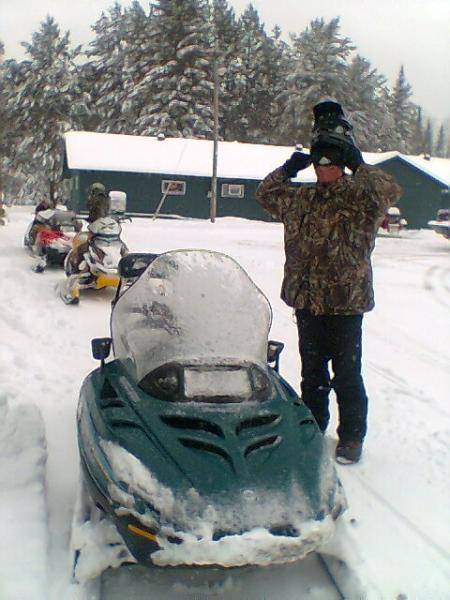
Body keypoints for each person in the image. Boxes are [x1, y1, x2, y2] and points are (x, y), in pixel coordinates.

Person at [256, 102, 402, 464]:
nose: (324, 169)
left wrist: (358, 161)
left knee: (348, 374)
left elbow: (390, 191)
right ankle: (312, 425)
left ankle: (351, 436)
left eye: (332, 162)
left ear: (342, 165)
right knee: (312, 373)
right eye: (319, 163)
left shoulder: (361, 198)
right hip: (309, 301)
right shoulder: (300, 199)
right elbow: (265, 194)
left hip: (346, 302)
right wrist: (290, 168)